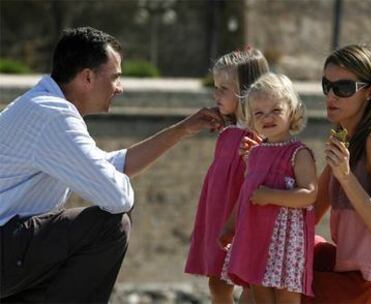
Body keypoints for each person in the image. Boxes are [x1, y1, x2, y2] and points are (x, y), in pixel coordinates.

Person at [0, 26, 222, 302]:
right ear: (87, 77)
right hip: (7, 248)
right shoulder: (54, 116)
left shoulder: (42, 106)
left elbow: (112, 165)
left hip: (11, 247)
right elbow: (118, 198)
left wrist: (183, 129)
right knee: (111, 226)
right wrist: (107, 180)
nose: (120, 88)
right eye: (116, 77)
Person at [305, 44, 371, 303]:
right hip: (353, 273)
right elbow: (310, 212)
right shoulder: (345, 139)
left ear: (370, 92)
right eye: (326, 86)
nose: (331, 96)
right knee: (278, 259)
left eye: (343, 88)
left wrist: (345, 176)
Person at [220, 72, 318, 304]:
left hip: (286, 243)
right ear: (251, 120)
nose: (268, 117)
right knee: (260, 294)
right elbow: (246, 194)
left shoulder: (298, 153)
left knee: (286, 297)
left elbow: (309, 194)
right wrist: (230, 226)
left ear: (292, 110)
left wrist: (271, 196)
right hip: (256, 236)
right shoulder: (255, 153)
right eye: (259, 113)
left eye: (276, 110)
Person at [184, 48, 269, 304]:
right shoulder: (228, 129)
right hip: (218, 214)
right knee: (217, 283)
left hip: (242, 217)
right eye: (216, 87)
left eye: (223, 88)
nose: (215, 94)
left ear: (247, 91)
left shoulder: (258, 135)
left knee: (249, 282)